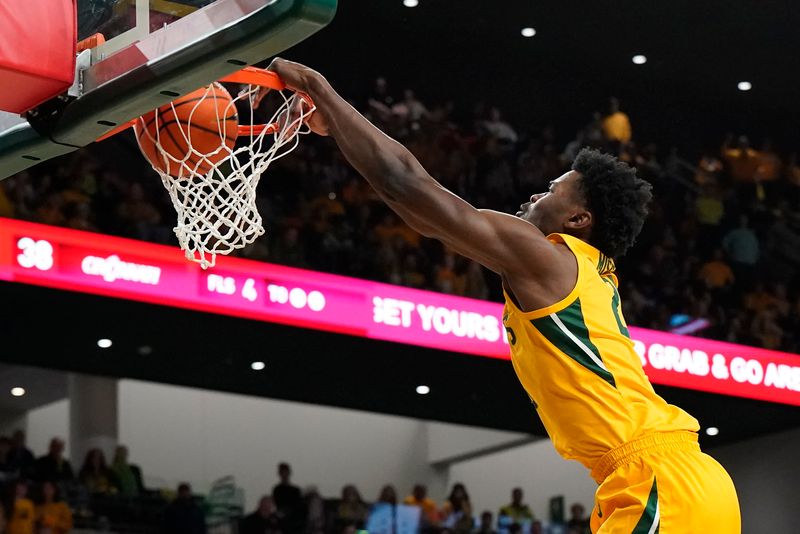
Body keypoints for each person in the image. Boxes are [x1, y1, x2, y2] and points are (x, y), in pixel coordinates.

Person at [265, 58, 741, 533]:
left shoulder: (552, 258)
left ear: (577, 220)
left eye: (549, 192)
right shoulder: (585, 273)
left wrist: (321, 91)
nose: (532, 198)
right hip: (675, 479)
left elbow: (406, 184)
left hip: (658, 481)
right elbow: (427, 219)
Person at [271, 463, 304, 533]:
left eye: (286, 472)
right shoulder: (277, 489)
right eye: (282, 472)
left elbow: (300, 505)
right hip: (282, 518)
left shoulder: (296, 490)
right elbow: (277, 504)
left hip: (295, 519)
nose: (284, 475)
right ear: (280, 474)